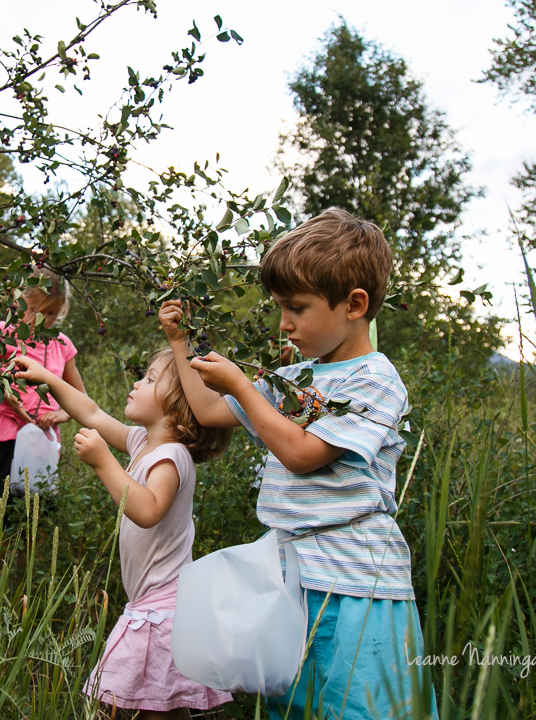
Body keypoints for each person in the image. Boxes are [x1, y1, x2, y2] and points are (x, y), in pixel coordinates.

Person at [159, 208, 438, 719]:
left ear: (355, 305)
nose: (284, 324)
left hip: (359, 587)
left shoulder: (375, 379)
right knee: (300, 708)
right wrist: (181, 345)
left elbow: (303, 454)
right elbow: (208, 409)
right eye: (280, 307)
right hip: (294, 581)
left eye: (297, 308)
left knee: (367, 708)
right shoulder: (295, 376)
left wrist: (243, 383)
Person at [12, 348, 232, 720]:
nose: (136, 382)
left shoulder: (172, 457)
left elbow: (147, 510)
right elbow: (93, 413)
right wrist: (49, 379)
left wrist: (103, 462)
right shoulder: (143, 444)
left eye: (148, 378)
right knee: (160, 707)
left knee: (122, 705)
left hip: (163, 611)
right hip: (155, 606)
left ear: (177, 407)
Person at [0, 269, 84, 515]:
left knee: (35, 522)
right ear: (18, 301)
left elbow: (82, 399)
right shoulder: (1, 333)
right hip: (8, 440)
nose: (39, 320)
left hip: (44, 442)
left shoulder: (62, 344)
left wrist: (61, 414)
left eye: (50, 313)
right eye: (32, 310)